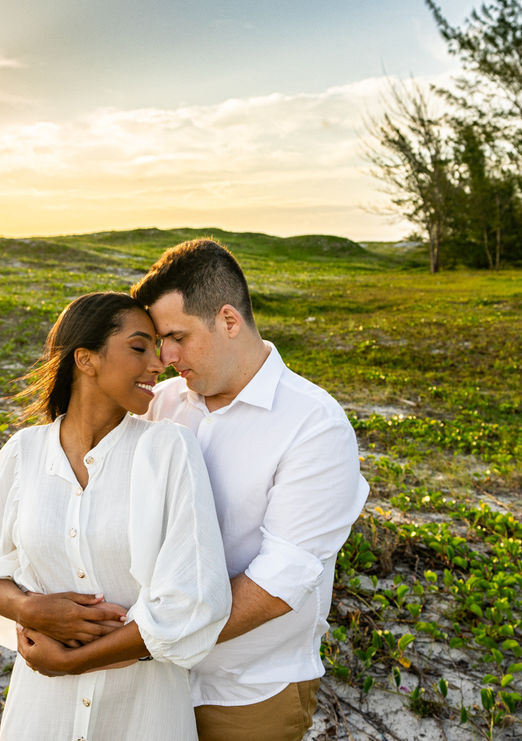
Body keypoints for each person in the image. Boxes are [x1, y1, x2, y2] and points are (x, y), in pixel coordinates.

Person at [0, 291, 232, 741]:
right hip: (42, 714)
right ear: (86, 359)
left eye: (158, 350)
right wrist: (29, 607)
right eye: (140, 348)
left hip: (144, 712)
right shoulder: (23, 452)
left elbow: (196, 600)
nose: (159, 365)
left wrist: (72, 661)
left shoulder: (168, 449)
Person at [131, 239, 369, 741]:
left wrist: (143, 639)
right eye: (158, 340)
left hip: (247, 691)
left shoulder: (314, 424)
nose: (166, 357)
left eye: (176, 336)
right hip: (153, 681)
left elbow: (278, 584)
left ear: (229, 320)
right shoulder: (166, 401)